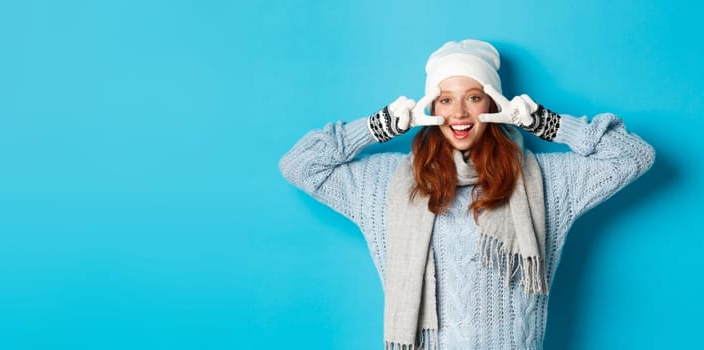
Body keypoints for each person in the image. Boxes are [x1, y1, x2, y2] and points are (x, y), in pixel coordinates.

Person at [278, 39, 655, 350]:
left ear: (492, 103)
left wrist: (546, 122)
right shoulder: (385, 183)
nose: (459, 112)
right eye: (444, 99)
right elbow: (300, 165)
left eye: (473, 97)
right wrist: (376, 127)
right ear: (431, 107)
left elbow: (633, 156)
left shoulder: (543, 181)